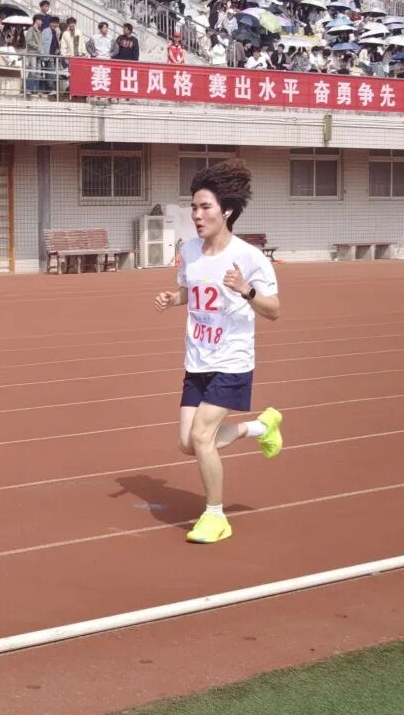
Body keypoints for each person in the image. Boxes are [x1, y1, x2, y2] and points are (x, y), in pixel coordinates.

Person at [153, 158, 283, 544]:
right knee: (186, 443)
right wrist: (172, 298)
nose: (197, 215)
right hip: (197, 359)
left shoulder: (249, 257)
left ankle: (215, 516)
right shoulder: (190, 251)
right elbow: (190, 291)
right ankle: (261, 427)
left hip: (232, 360)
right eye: (193, 207)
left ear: (225, 210)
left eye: (205, 207)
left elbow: (274, 310)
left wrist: (246, 290)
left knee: (203, 435)